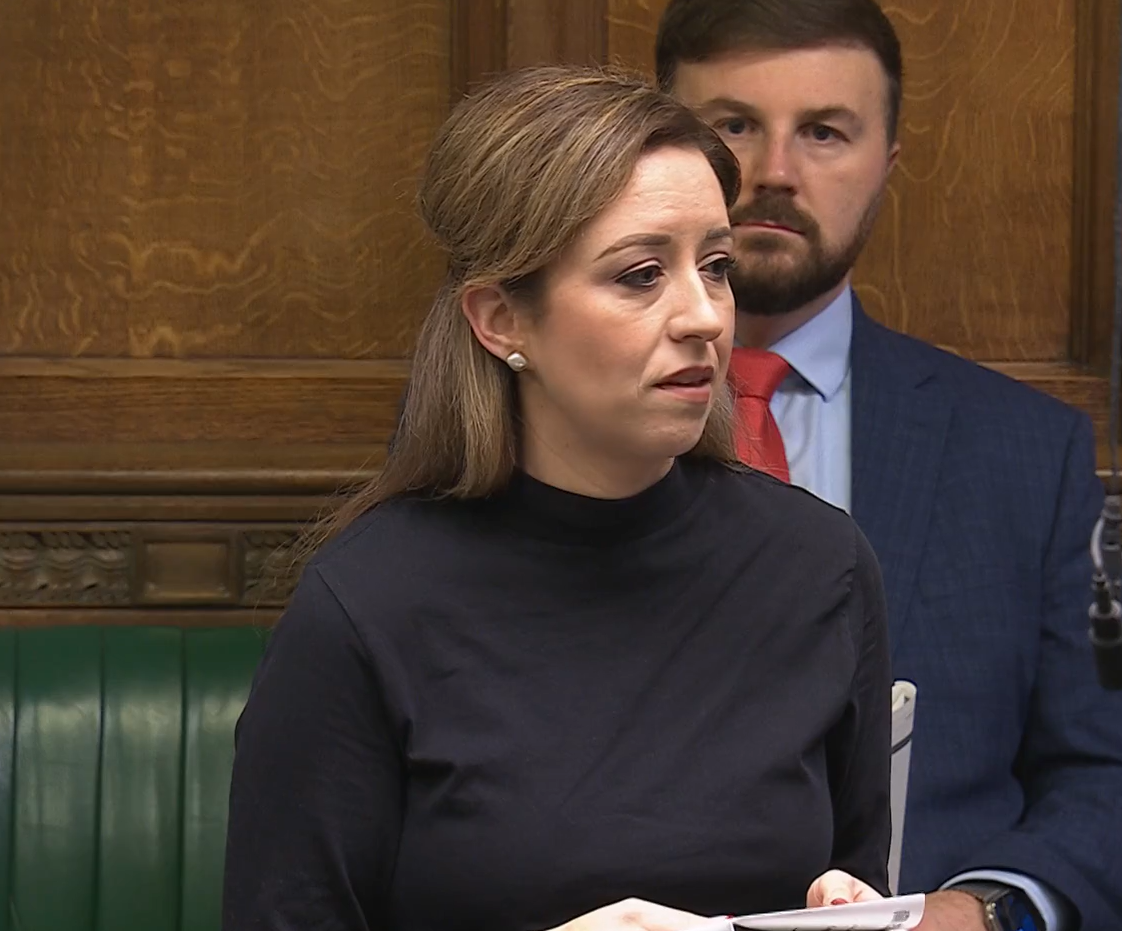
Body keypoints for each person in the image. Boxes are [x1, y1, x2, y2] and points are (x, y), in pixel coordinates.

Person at [222, 66, 895, 931]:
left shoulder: (820, 565)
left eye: (716, 266)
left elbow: (860, 877)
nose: (705, 316)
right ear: (501, 319)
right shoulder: (366, 608)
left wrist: (845, 910)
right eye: (641, 274)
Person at [655, 2, 1122, 930]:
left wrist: (985, 909)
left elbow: (1101, 771)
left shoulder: (1029, 456)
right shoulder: (539, 430)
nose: (773, 171)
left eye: (824, 132)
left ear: (888, 163)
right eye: (733, 125)